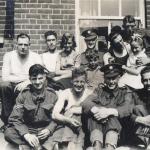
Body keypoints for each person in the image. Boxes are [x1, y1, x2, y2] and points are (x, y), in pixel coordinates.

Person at [4, 64, 58, 150]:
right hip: (29, 129)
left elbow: (58, 117)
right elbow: (14, 118)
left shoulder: (53, 95)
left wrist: (49, 129)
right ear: (30, 79)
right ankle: (39, 146)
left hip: (45, 130)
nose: (37, 82)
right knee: (8, 133)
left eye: (40, 78)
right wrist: (26, 135)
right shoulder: (23, 95)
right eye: (34, 79)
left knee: (63, 129)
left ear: (45, 78)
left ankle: (38, 146)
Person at [81, 63, 134, 150]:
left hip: (116, 130)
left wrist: (108, 112)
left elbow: (127, 108)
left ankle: (110, 146)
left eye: (114, 78)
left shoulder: (124, 92)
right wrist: (98, 111)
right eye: (108, 78)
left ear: (119, 77)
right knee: (93, 117)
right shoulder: (99, 91)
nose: (111, 82)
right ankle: (96, 145)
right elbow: (86, 102)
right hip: (97, 127)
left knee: (112, 117)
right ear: (104, 79)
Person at [0, 33, 42, 127]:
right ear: (16, 45)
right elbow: (5, 77)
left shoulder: (35, 56)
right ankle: (8, 120)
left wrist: (27, 81)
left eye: (25, 45)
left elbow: (41, 74)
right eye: (20, 44)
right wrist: (24, 78)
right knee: (3, 85)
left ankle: (26, 120)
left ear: (29, 45)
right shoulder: (9, 55)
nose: (23, 47)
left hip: (29, 84)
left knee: (34, 85)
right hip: (12, 84)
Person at [52, 68, 93, 150]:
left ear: (85, 83)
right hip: (69, 126)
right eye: (76, 81)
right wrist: (68, 120)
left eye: (82, 82)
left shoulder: (89, 93)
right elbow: (54, 114)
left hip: (84, 128)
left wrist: (74, 110)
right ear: (71, 81)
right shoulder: (66, 93)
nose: (79, 84)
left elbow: (94, 110)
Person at [130, 65, 150, 149]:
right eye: (145, 80)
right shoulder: (136, 94)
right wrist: (141, 119)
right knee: (138, 108)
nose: (149, 83)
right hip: (141, 130)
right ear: (141, 81)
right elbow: (127, 112)